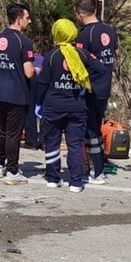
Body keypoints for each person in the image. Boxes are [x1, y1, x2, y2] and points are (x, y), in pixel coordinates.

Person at [35, 19, 108, 193]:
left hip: (53, 105)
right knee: (75, 144)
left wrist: (38, 103)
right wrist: (85, 81)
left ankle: (53, 178)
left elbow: (43, 83)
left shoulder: (51, 56)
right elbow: (101, 69)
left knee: (52, 142)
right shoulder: (82, 54)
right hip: (77, 106)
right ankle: (76, 182)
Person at [0, 4, 35, 184]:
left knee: (3, 132)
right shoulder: (23, 42)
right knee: (14, 134)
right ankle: (13, 172)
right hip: (17, 94)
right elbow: (29, 72)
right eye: (27, 18)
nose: (29, 21)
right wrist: (37, 71)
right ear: (18, 19)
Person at [74, 0, 119, 185]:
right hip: (105, 85)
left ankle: (97, 171)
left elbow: (79, 62)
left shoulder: (85, 34)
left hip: (90, 87)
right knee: (95, 127)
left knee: (91, 130)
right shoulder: (110, 31)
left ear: (81, 14)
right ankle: (96, 165)